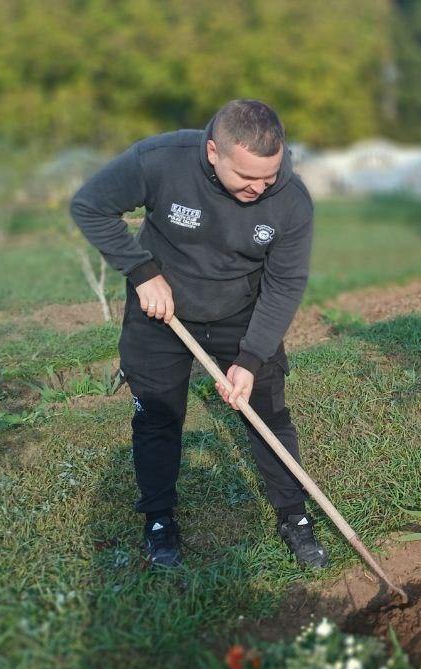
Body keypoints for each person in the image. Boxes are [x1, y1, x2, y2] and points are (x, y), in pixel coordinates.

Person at [71, 99, 326, 570]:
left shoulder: (290, 200)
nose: (260, 187)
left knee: (267, 413)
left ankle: (294, 515)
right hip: (161, 310)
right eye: (247, 177)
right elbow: (90, 206)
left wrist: (250, 359)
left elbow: (285, 283)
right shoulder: (160, 160)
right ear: (213, 152)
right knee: (158, 417)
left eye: (269, 176)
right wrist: (142, 272)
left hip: (240, 312)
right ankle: (159, 519)